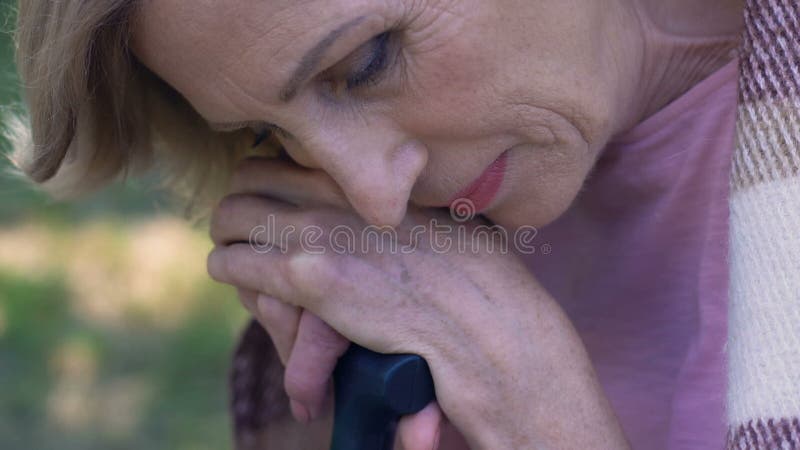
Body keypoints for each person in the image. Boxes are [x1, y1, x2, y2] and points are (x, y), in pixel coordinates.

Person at [8, 0, 800, 449]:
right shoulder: (366, 233)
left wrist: (536, 415)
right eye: (270, 132)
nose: (376, 201)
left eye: (368, 63)